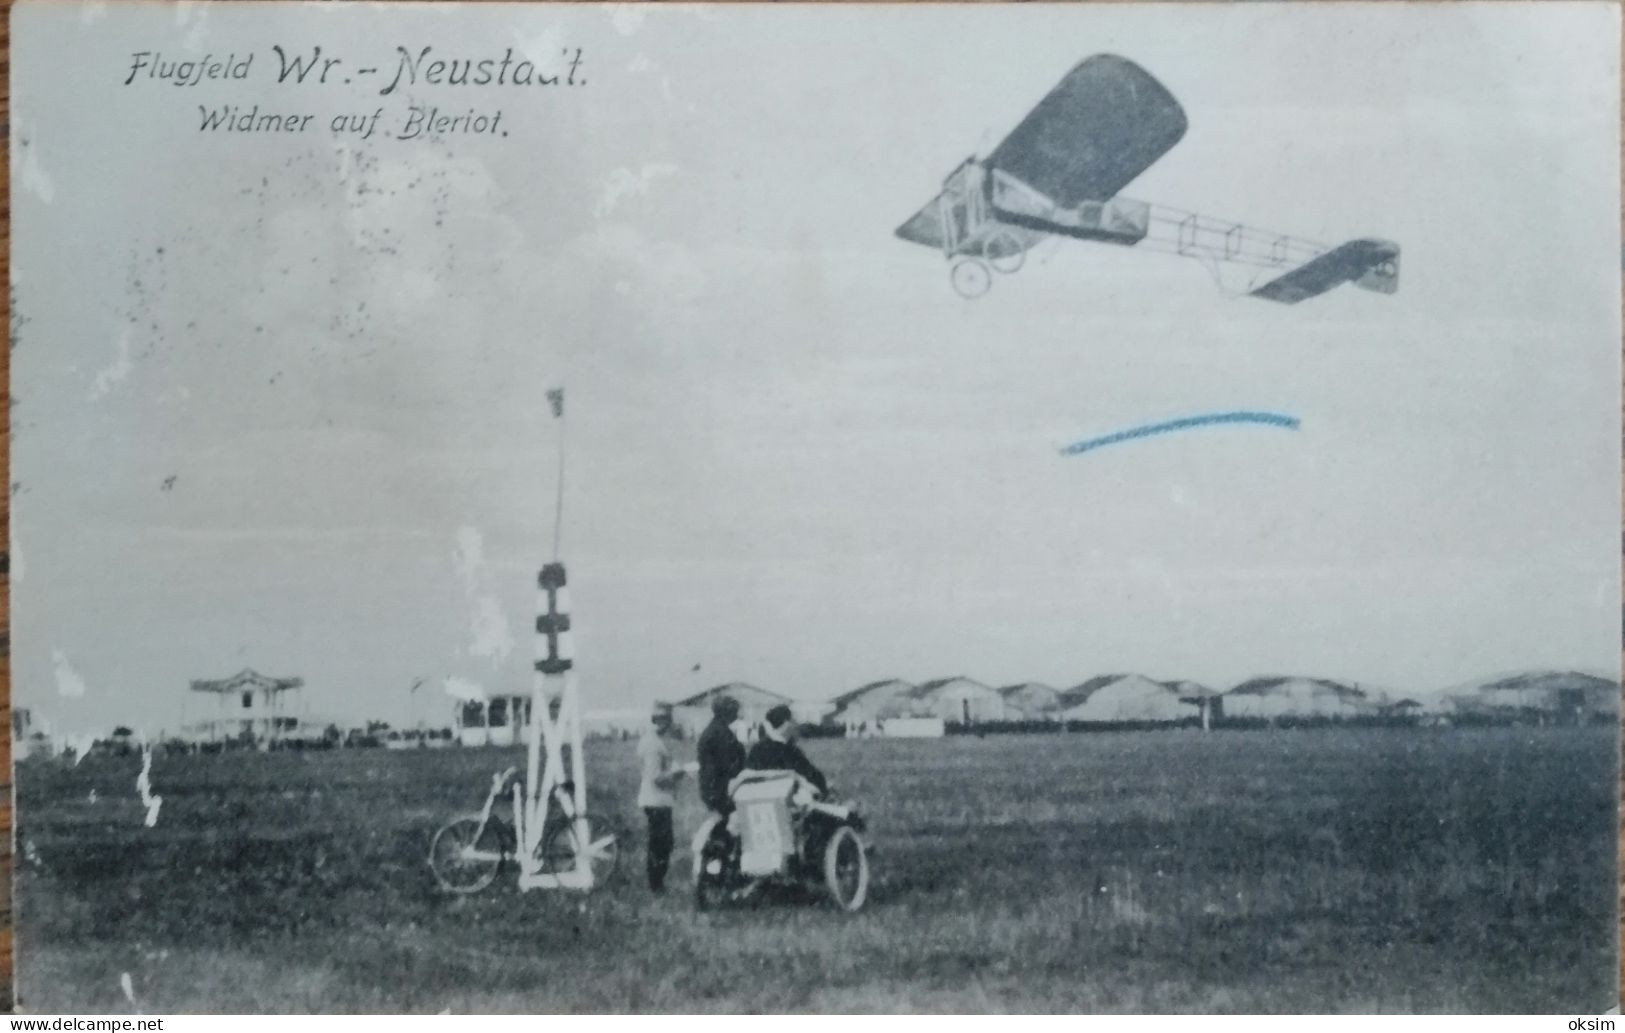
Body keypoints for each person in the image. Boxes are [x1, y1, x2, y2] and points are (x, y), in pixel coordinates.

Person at [636, 703, 686, 893]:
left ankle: (657, 882)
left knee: (661, 842)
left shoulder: (651, 740)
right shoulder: (653, 744)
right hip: (656, 800)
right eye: (668, 720)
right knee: (661, 843)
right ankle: (656, 884)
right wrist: (677, 773)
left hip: (657, 799)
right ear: (662, 720)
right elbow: (655, 777)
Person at [745, 704, 829, 795]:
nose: (796, 724)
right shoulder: (790, 751)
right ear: (786, 723)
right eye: (793, 721)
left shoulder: (756, 749)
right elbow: (816, 778)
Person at [697, 694, 746, 816]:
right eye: (734, 710)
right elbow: (728, 763)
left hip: (712, 787)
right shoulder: (721, 734)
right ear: (727, 712)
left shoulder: (713, 730)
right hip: (721, 789)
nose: (737, 714)